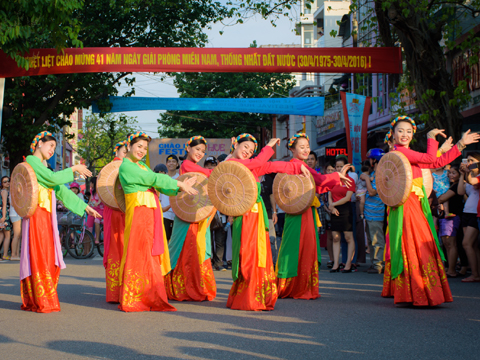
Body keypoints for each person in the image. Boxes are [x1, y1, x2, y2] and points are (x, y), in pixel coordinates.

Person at [381, 116, 479, 306]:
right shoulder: (400, 152)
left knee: (417, 244)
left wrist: (460, 145)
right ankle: (418, 290)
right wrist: (431, 137)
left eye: (409, 131)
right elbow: (429, 158)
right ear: (392, 134)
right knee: (417, 244)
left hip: (416, 203)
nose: (405, 135)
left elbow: (434, 163)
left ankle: (416, 289)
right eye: (400, 131)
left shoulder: (409, 153)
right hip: (407, 204)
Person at [225, 133, 311, 311]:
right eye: (245, 147)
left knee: (260, 255)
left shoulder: (250, 167)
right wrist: (269, 145)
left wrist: (296, 168)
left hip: (257, 216)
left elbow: (271, 165)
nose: (248, 151)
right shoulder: (230, 164)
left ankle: (257, 293)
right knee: (247, 255)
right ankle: (247, 296)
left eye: (251, 150)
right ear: (235, 145)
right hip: (244, 216)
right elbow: (258, 162)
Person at [20, 131, 100, 313]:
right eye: (51, 146)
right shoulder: (32, 161)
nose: (52, 151)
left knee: (47, 255)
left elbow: (61, 191)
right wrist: (73, 169)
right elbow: (53, 179)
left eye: (55, 148)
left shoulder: (43, 166)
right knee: (40, 254)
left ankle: (43, 295)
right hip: (37, 214)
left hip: (46, 215)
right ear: (39, 143)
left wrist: (85, 207)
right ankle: (40, 297)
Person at [117, 131, 197, 312]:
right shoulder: (127, 166)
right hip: (139, 214)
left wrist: (181, 188)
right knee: (139, 252)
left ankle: (151, 294)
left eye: (145, 148)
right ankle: (135, 296)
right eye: (139, 146)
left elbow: (160, 185)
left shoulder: (142, 167)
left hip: (150, 214)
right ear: (129, 147)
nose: (142, 151)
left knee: (151, 254)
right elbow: (153, 179)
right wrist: (178, 184)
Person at [276, 134, 350, 299]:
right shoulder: (297, 165)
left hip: (303, 211)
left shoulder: (298, 164)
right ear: (292, 149)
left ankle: (291, 285)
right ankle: (297, 286)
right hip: (299, 212)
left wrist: (336, 179)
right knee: (299, 246)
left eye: (307, 147)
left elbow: (317, 187)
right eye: (301, 147)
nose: (305, 150)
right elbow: (320, 180)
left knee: (296, 246)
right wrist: (337, 177)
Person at [164, 136, 217, 301]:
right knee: (185, 247)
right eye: (197, 149)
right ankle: (184, 287)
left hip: (195, 212)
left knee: (196, 248)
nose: (200, 153)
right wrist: (224, 166)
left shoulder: (194, 167)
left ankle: (193, 285)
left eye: (203, 151)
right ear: (188, 148)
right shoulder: (187, 165)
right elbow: (209, 173)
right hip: (187, 213)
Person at [103, 140, 127, 303]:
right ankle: (123, 289)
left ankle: (114, 291)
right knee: (120, 246)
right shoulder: (115, 168)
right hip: (118, 211)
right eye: (124, 151)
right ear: (116, 152)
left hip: (115, 211)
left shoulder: (112, 169)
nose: (126, 154)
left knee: (116, 247)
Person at [361, 148, 386, 274]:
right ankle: (374, 263)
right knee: (371, 240)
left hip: (376, 213)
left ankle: (379, 265)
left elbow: (372, 192)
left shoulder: (381, 175)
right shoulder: (373, 174)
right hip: (370, 213)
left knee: (377, 240)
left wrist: (366, 178)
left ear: (374, 160)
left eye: (370, 159)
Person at [329, 157, 356, 273]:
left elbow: (347, 198)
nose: (339, 168)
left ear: (347, 167)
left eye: (341, 166)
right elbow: (329, 194)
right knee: (335, 238)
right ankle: (336, 264)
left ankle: (348, 264)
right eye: (337, 166)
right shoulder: (333, 180)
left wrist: (333, 204)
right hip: (333, 209)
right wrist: (331, 206)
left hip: (345, 209)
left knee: (348, 237)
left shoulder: (350, 180)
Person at [438, 165, 464, 277]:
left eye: (454, 173)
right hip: (447, 217)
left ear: (460, 175)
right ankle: (449, 268)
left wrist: (438, 197)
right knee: (446, 244)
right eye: (450, 172)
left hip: (452, 217)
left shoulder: (457, 186)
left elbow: (442, 198)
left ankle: (452, 270)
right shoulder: (451, 185)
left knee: (450, 244)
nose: (450, 175)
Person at [458, 153, 480, 282]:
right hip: (466, 212)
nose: (469, 162)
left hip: (474, 214)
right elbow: (461, 191)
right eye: (468, 160)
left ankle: (475, 274)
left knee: (466, 243)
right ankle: (476, 273)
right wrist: (462, 174)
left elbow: (473, 183)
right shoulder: (469, 176)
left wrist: (469, 172)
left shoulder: (476, 177)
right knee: (473, 245)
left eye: (472, 160)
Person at [161, 154, 180, 242]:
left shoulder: (180, 178)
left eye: (173, 161)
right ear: (166, 164)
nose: (171, 163)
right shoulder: (162, 178)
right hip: (164, 214)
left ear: (177, 164)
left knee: (175, 241)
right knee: (164, 240)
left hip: (177, 214)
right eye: (169, 162)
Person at [87, 177, 104, 246]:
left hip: (100, 210)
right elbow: (90, 200)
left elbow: (101, 199)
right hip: (93, 209)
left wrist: (98, 203)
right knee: (88, 224)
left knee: (97, 221)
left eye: (91, 183)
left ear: (94, 183)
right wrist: (87, 206)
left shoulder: (100, 190)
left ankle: (97, 239)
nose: (90, 184)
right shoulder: (92, 190)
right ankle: (90, 239)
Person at [8, 177, 21, 261]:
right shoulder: (13, 191)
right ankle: (13, 254)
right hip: (15, 213)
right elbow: (12, 203)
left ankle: (16, 254)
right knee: (16, 235)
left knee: (19, 235)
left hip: (17, 213)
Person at [0, 176, 13, 260]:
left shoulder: (3, 191)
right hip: (4, 214)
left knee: (1, 234)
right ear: (2, 184)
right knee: (7, 235)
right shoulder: (4, 191)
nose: (7, 182)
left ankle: (4, 254)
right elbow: (4, 204)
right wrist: (4, 216)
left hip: (2, 213)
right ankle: (5, 254)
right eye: (5, 182)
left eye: (8, 181)